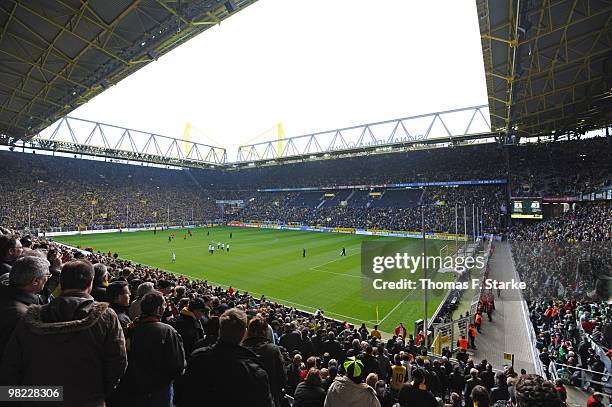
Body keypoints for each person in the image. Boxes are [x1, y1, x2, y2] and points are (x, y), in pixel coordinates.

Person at [0, 260, 127, 406]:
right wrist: (96, 392)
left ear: (61, 282)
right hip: (87, 399)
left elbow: (11, 365)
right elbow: (118, 363)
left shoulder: (31, 316)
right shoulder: (107, 316)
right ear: (90, 283)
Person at [177, 308, 274, 407]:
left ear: (220, 330)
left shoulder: (197, 357)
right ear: (245, 334)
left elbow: (184, 395)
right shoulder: (255, 372)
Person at [119, 291, 186, 407]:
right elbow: (178, 366)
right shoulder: (167, 331)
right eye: (164, 305)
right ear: (158, 309)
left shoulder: (131, 327)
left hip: (132, 386)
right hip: (158, 391)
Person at [0, 256, 50, 357]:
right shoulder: (23, 316)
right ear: (35, 281)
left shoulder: (6, 295)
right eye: (47, 275)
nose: (48, 278)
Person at [242, 316, 287, 407]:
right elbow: (283, 378)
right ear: (264, 331)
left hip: (246, 399)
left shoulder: (241, 348)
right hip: (268, 399)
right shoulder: (273, 350)